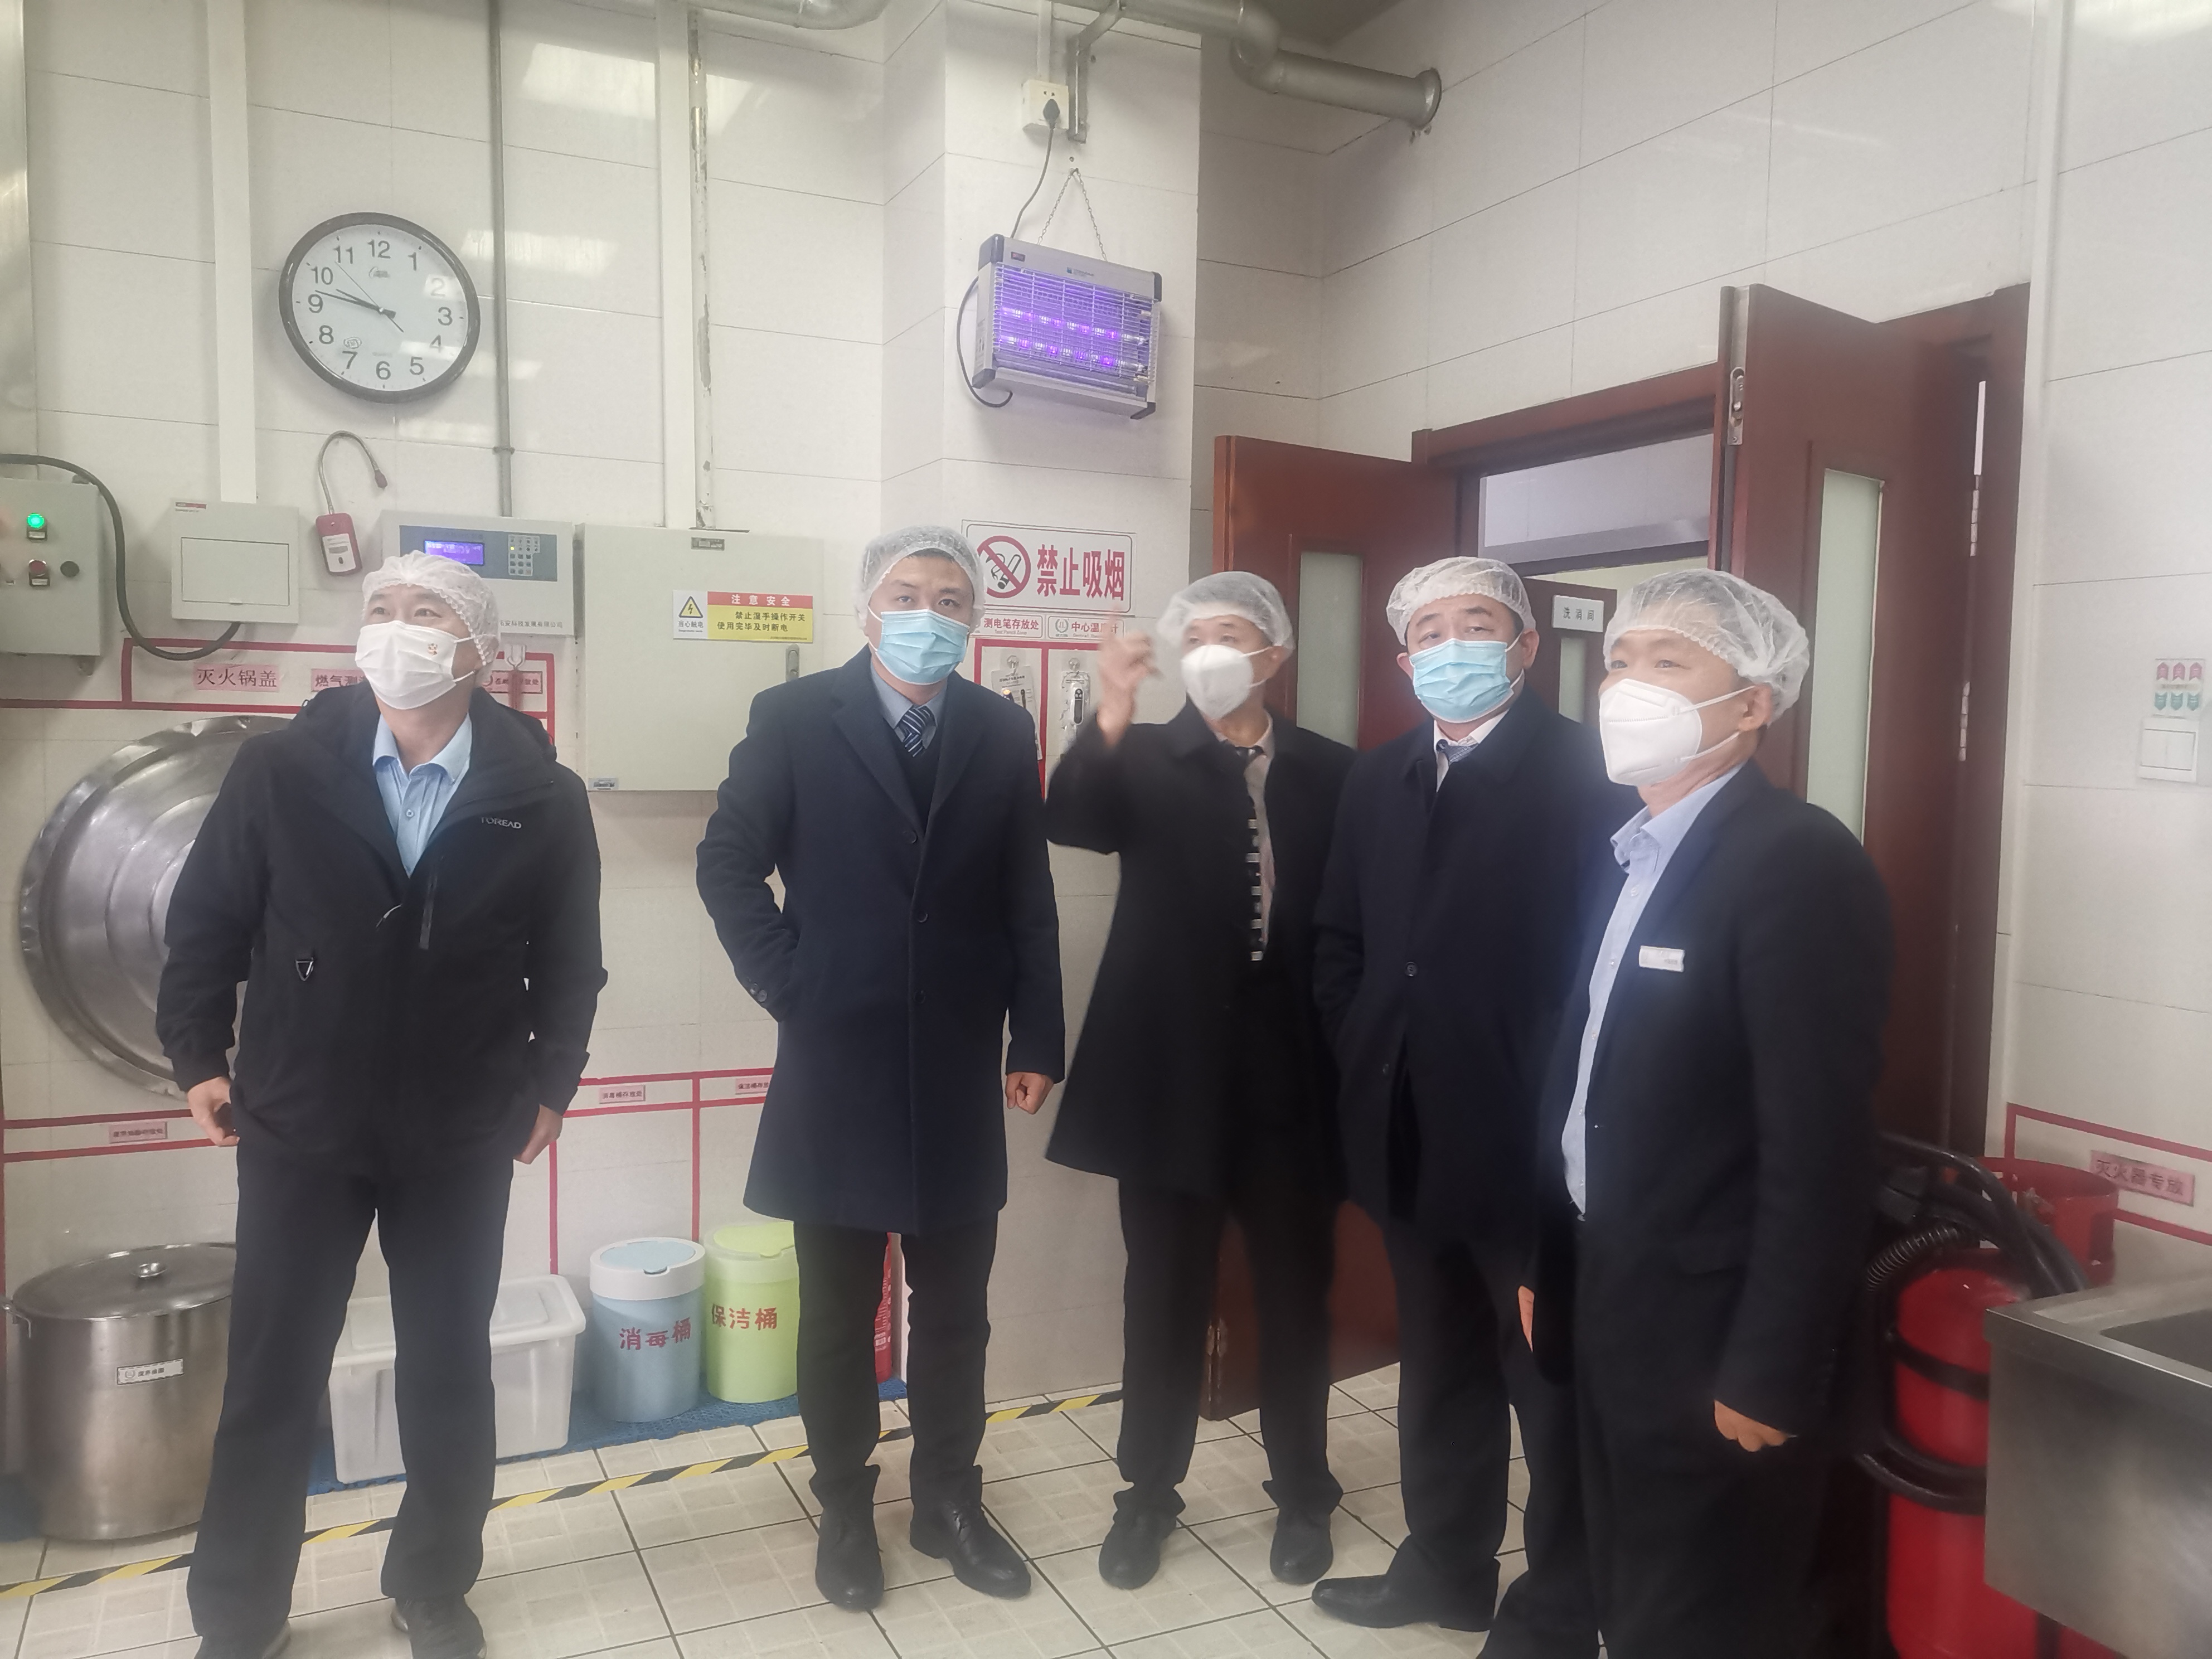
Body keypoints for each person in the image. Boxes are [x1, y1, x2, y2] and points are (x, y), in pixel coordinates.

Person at [158, 553, 605, 1659]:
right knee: (270, 1376)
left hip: (460, 1126)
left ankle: (433, 1584)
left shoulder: (541, 794)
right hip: (300, 1119)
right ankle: (240, 1613)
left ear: (480, 648)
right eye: (382, 610)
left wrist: (553, 1082)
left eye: (427, 611)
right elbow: (208, 918)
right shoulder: (281, 768)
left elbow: (569, 956)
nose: (397, 628)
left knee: (448, 1369)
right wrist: (195, 1051)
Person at [1524, 569, 1891, 1659]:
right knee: (1630, 1580)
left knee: (1704, 1611)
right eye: (1620, 661)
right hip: (1610, 1288)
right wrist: (1549, 1260)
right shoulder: (1632, 847)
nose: (1626, 684)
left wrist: (1773, 1365)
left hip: (1714, 1322)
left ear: (1752, 703)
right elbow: (1586, 1078)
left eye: (1668, 661)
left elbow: (1818, 1145)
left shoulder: (1795, 861)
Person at [696, 525, 1064, 1612]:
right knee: (837, 1311)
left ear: (974, 618)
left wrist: (1038, 1037)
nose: (927, 615)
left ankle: (949, 1499)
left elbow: (1026, 893)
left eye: (950, 599)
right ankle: (846, 1509)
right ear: (865, 607)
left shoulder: (1000, 728)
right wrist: (789, 983)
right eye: (907, 595)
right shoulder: (795, 715)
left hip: (957, 1061)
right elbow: (727, 862)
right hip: (836, 1060)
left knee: (956, 1309)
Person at [1311, 557, 1629, 1655]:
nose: (1452, 646)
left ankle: (1560, 1607)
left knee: (1549, 1384)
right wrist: (1363, 1039)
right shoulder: (1379, 776)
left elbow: (1603, 971)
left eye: (1478, 624)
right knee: (1439, 1364)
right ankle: (1445, 1568)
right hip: (1404, 1129)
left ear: (1526, 646)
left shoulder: (1592, 774)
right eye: (1430, 630)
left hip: (1531, 1145)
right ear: (1404, 661)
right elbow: (1340, 940)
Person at [1044, 573, 1356, 1591]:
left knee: (1296, 1293)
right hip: (1167, 1072)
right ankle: (1147, 1495)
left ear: (1275, 654)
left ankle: (1304, 1491)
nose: (1216, 649)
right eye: (1200, 635)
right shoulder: (1142, 754)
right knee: (1163, 1294)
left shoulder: (1332, 770)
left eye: (1237, 634)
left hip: (1293, 1074)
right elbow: (1071, 820)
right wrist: (1111, 705)